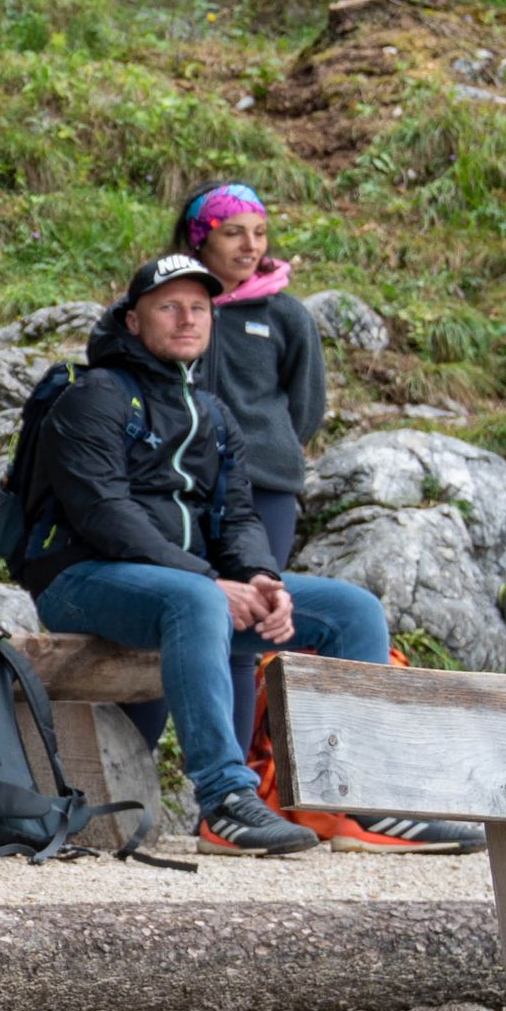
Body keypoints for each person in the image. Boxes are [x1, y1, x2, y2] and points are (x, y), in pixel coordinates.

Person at [11, 252, 435, 858]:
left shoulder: (212, 413)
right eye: (169, 307)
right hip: (82, 582)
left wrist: (262, 579)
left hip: (189, 592)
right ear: (133, 321)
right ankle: (225, 802)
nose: (188, 319)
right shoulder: (94, 397)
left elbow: (237, 516)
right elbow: (105, 515)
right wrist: (209, 581)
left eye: (199, 308)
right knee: (193, 601)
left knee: (353, 610)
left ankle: (361, 799)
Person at [168, 180, 324, 753]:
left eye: (258, 233)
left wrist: (264, 449)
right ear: (199, 238)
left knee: (246, 626)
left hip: (265, 491)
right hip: (179, 488)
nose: (249, 246)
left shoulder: (286, 315)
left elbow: (304, 407)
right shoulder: (175, 308)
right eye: (233, 232)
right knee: (179, 616)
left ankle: (231, 797)